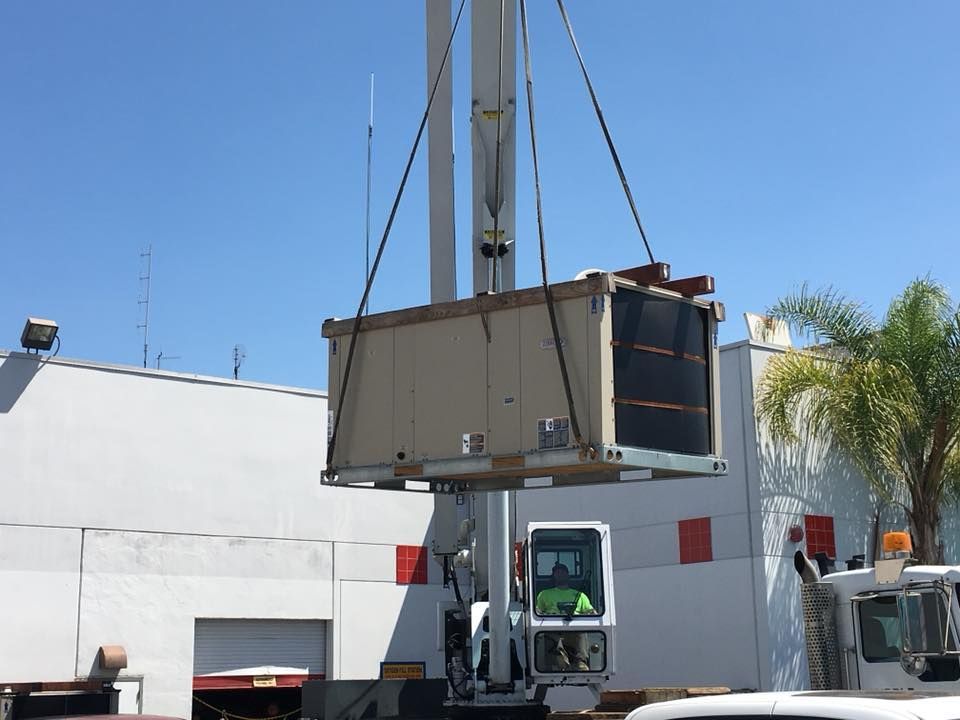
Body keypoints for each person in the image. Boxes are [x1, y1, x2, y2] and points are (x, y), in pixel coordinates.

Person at [535, 563, 594, 672]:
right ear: (553, 576)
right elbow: (537, 611)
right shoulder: (544, 594)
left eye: (562, 572)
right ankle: (560, 660)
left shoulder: (580, 595)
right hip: (552, 628)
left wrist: (591, 614)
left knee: (581, 632)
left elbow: (591, 612)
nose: (560, 574)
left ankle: (580, 662)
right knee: (550, 637)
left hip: (574, 629)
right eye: (557, 572)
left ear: (568, 575)